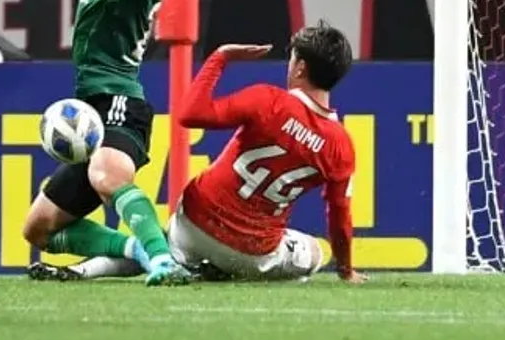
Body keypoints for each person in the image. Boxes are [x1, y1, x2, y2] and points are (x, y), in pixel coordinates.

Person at [28, 26, 366, 285]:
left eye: (292, 58)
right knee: (317, 252)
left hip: (193, 223)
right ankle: (209, 270)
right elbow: (339, 216)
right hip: (252, 253)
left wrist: (219, 59)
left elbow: (190, 113)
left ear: (301, 68)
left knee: (169, 245)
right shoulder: (342, 146)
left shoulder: (269, 100)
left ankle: (84, 270)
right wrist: (346, 269)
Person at [23, 0, 199, 287]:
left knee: (106, 174)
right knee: (39, 228)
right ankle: (137, 249)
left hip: (120, 102)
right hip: (92, 108)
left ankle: (165, 260)